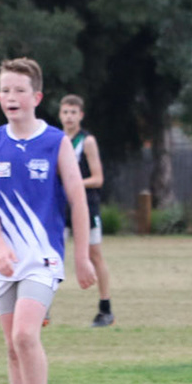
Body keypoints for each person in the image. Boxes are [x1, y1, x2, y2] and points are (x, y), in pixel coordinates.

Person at [0, 59, 94, 384]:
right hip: (5, 263)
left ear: (37, 97)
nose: (11, 97)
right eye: (5, 90)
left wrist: (81, 256)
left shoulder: (56, 142)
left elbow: (78, 200)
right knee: (12, 348)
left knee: (26, 335)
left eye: (19, 90)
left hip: (43, 259)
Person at [58, 94, 114, 328]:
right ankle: (42, 308)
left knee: (94, 255)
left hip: (86, 206)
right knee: (52, 255)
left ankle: (105, 309)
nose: (69, 117)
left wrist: (74, 184)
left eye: (73, 112)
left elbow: (98, 178)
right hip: (61, 206)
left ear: (80, 115)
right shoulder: (57, 139)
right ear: (60, 115)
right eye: (65, 112)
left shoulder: (87, 141)